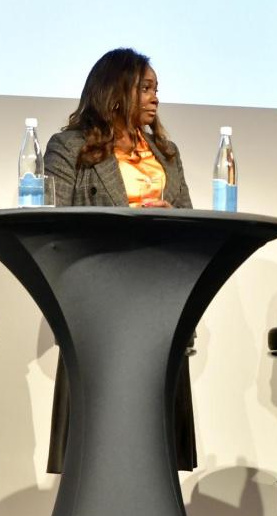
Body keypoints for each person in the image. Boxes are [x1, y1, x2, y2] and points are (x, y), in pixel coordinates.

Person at [43, 48, 196, 473]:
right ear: (116, 91)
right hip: (100, 301)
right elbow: (55, 224)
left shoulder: (166, 152)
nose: (155, 98)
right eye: (145, 88)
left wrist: (170, 223)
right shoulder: (69, 147)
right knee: (100, 444)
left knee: (153, 444)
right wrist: (130, 221)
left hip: (159, 299)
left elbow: (190, 220)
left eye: (156, 89)